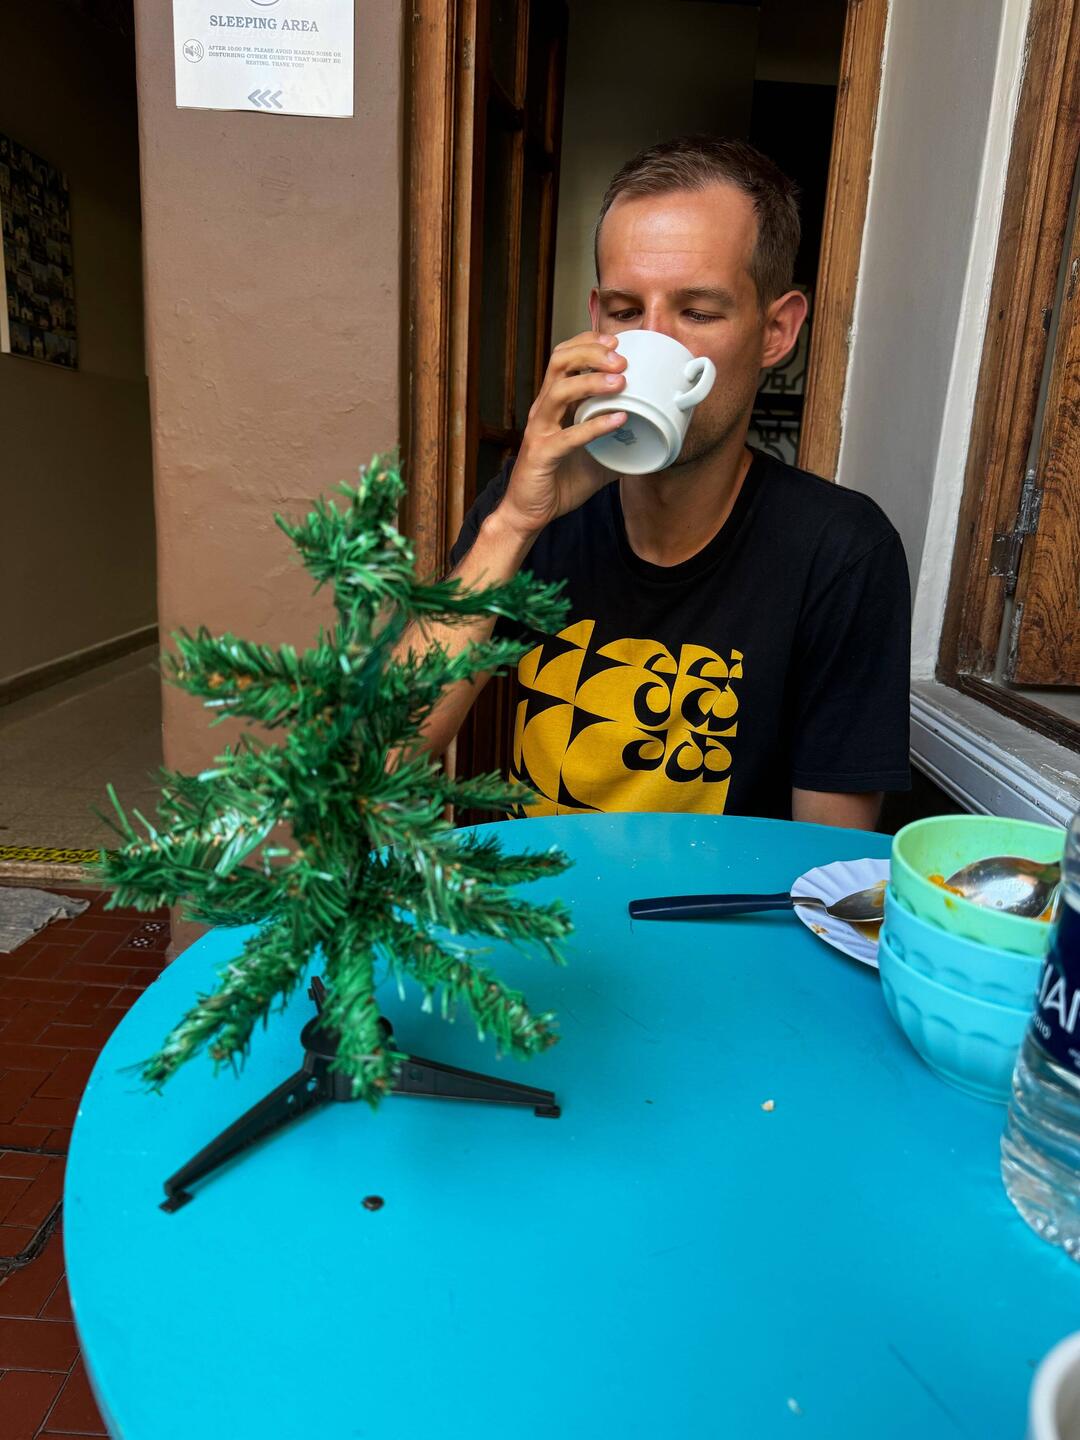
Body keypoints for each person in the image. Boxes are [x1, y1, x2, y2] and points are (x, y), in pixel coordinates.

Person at [414, 136, 910, 827]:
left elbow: (827, 858)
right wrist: (512, 525)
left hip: (716, 902)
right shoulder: (529, 508)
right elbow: (381, 756)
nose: (655, 343)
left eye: (697, 313)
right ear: (596, 323)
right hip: (534, 894)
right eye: (625, 312)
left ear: (776, 331)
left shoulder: (841, 551)